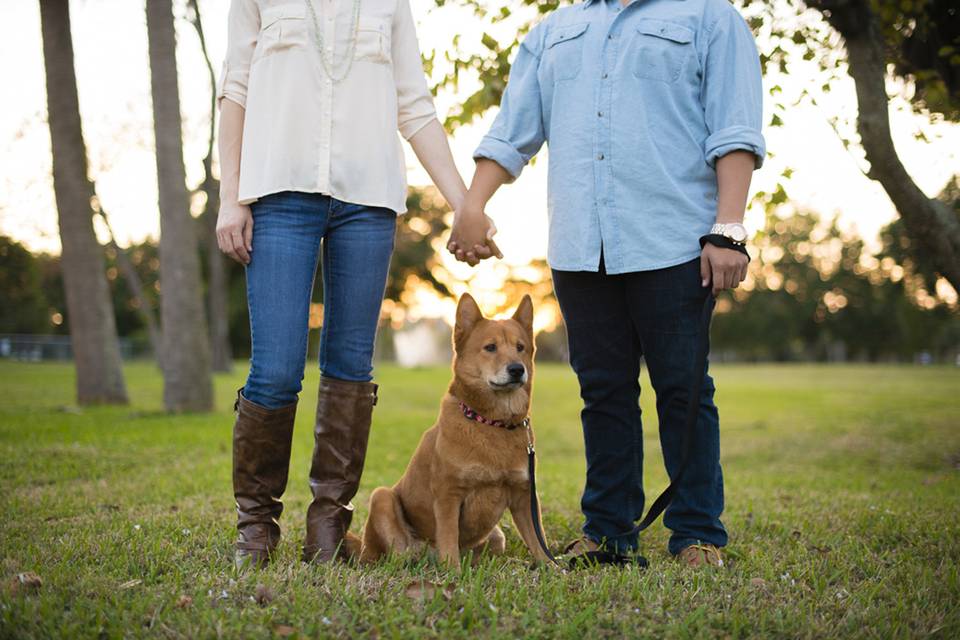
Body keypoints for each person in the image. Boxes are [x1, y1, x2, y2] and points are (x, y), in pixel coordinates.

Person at [450, 0, 765, 567]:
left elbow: (735, 128)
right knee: (603, 393)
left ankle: (696, 534)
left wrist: (729, 228)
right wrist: (473, 206)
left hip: (674, 241)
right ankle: (609, 532)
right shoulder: (554, 32)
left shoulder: (709, 17)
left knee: (683, 391)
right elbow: (512, 132)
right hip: (580, 248)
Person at [216, 0, 495, 568]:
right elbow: (236, 91)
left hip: (367, 202)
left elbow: (414, 107)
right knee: (274, 371)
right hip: (278, 194)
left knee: (350, 367)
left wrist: (465, 205)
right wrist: (231, 198)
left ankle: (328, 526)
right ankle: (256, 528)